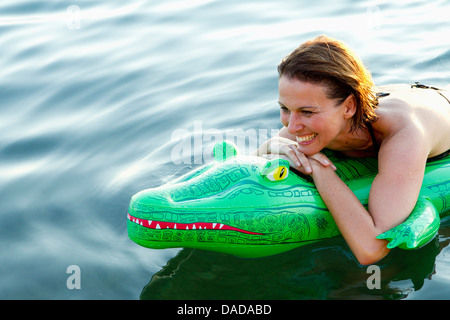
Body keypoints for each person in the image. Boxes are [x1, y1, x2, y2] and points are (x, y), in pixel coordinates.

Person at [254, 35, 450, 265]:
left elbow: (373, 248)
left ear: (349, 106)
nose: (292, 125)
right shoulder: (308, 122)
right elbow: (261, 154)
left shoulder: (403, 133)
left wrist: (321, 171)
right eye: (285, 108)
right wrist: (276, 145)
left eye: (307, 112)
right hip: (391, 95)